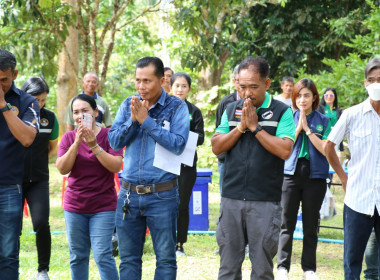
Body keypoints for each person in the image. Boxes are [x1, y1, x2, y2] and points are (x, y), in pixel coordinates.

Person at [211, 56, 295, 280]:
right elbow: (216, 146)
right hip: (232, 198)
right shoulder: (230, 109)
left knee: (262, 270)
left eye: (253, 87)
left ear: (267, 84)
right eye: (242, 86)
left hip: (265, 201)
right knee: (228, 268)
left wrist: (256, 128)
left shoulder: (281, 112)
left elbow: (285, 150)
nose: (247, 93)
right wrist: (240, 127)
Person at [108, 57, 189, 280]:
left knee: (165, 258)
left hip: (162, 195)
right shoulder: (128, 104)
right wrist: (134, 121)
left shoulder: (176, 107)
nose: (141, 86)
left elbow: (178, 144)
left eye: (147, 81)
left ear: (162, 80)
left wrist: (147, 122)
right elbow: (114, 142)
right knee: (128, 259)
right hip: (129, 195)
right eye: (138, 80)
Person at [325, 57, 380, 280]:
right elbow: (329, 146)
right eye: (372, 80)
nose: (376, 84)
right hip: (358, 199)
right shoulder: (352, 114)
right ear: (365, 83)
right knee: (352, 262)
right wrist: (343, 177)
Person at [56, 94, 122, 280]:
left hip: (103, 206)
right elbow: (62, 168)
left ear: (95, 112)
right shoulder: (69, 138)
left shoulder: (109, 136)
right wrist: (77, 144)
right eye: (76, 112)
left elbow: (116, 166)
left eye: (85, 111)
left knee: (103, 255)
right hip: (75, 207)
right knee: (78, 256)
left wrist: (94, 146)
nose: (80, 116)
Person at [276, 78, 331, 280]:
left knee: (311, 223)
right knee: (286, 223)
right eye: (298, 95)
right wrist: (298, 128)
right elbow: (283, 146)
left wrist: (308, 130)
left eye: (306, 95)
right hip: (290, 174)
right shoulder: (287, 118)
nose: (302, 99)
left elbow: (326, 150)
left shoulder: (323, 120)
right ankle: (282, 267)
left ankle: (309, 268)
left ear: (314, 97)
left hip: (315, 176)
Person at [0, 49, 40, 280]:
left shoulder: (27, 102)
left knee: (7, 253)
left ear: (14, 74)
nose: (0, 85)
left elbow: (27, 138)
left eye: (4, 80)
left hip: (8, 187)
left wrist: (3, 106)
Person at [21, 77, 59, 280]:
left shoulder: (49, 118)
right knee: (11, 225)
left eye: (43, 100)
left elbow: (52, 148)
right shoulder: (12, 114)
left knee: (42, 223)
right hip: (13, 180)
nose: (39, 104)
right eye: (35, 99)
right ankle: (9, 266)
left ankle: (42, 270)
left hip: (39, 180)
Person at [171, 72, 205, 256]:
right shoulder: (163, 109)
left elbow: (200, 137)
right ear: (170, 87)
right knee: (164, 204)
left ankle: (179, 244)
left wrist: (181, 139)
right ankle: (165, 241)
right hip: (166, 164)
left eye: (184, 86)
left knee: (182, 205)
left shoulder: (194, 111)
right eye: (177, 85)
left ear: (189, 89)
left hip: (187, 166)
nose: (180, 89)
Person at [215, 64, 242, 191]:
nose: (241, 85)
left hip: (250, 160)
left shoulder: (259, 102)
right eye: (238, 81)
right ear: (233, 81)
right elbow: (219, 132)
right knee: (226, 197)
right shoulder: (226, 103)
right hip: (227, 159)